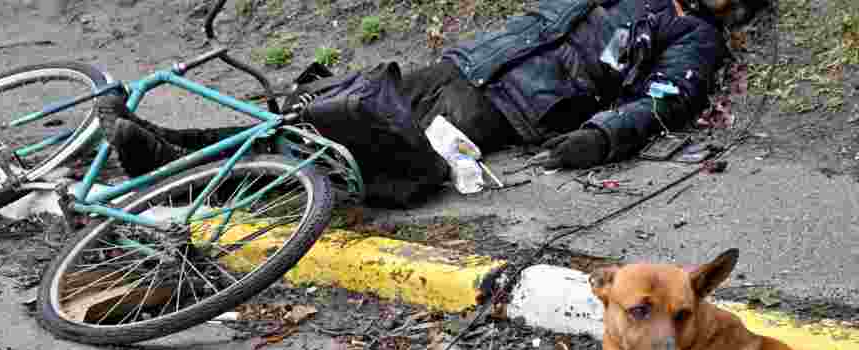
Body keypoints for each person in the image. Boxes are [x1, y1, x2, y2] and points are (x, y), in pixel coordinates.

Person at [110, 0, 766, 204]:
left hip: (502, 109)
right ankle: (178, 146)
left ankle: (181, 177)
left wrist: (600, 136)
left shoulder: (695, 37)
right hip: (461, 64)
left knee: (356, 154)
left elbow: (665, 100)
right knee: (319, 112)